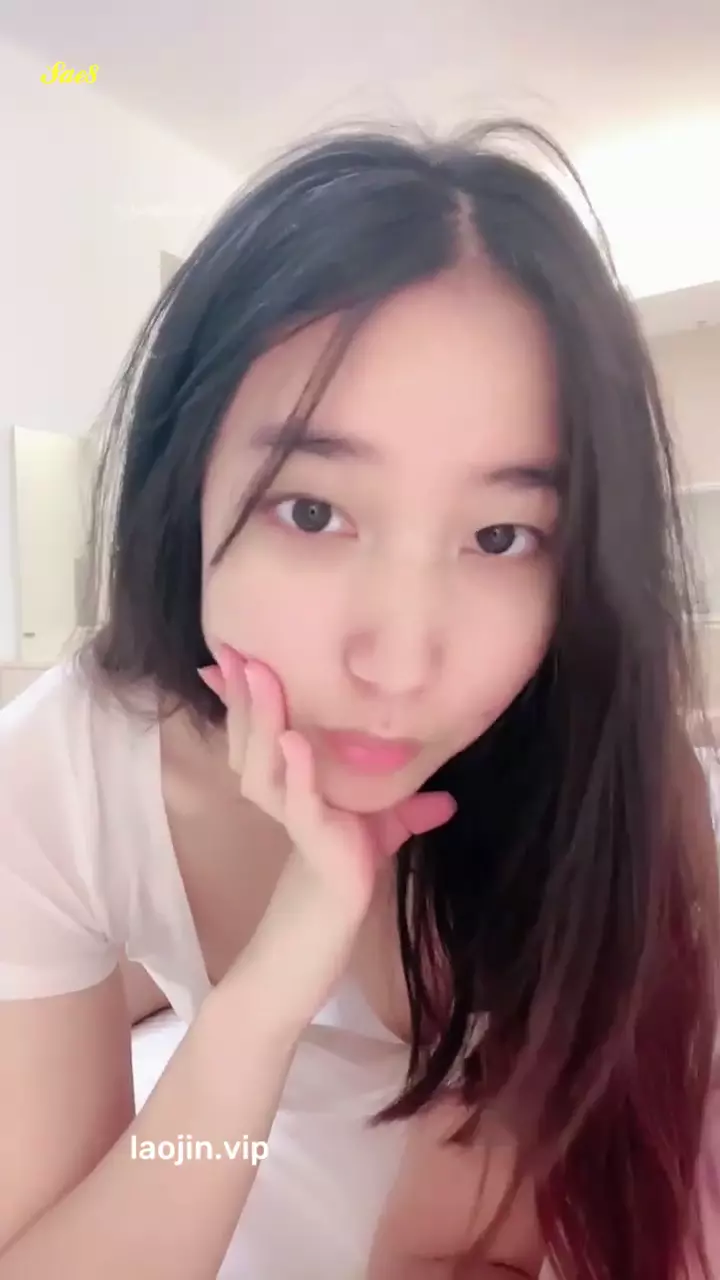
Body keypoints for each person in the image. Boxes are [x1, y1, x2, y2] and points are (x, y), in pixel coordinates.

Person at [0, 121, 717, 1280]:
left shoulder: (608, 770)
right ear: (183, 488)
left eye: (501, 535)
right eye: (314, 511)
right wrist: (269, 987)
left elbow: (504, 1236)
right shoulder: (62, 775)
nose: (397, 661)